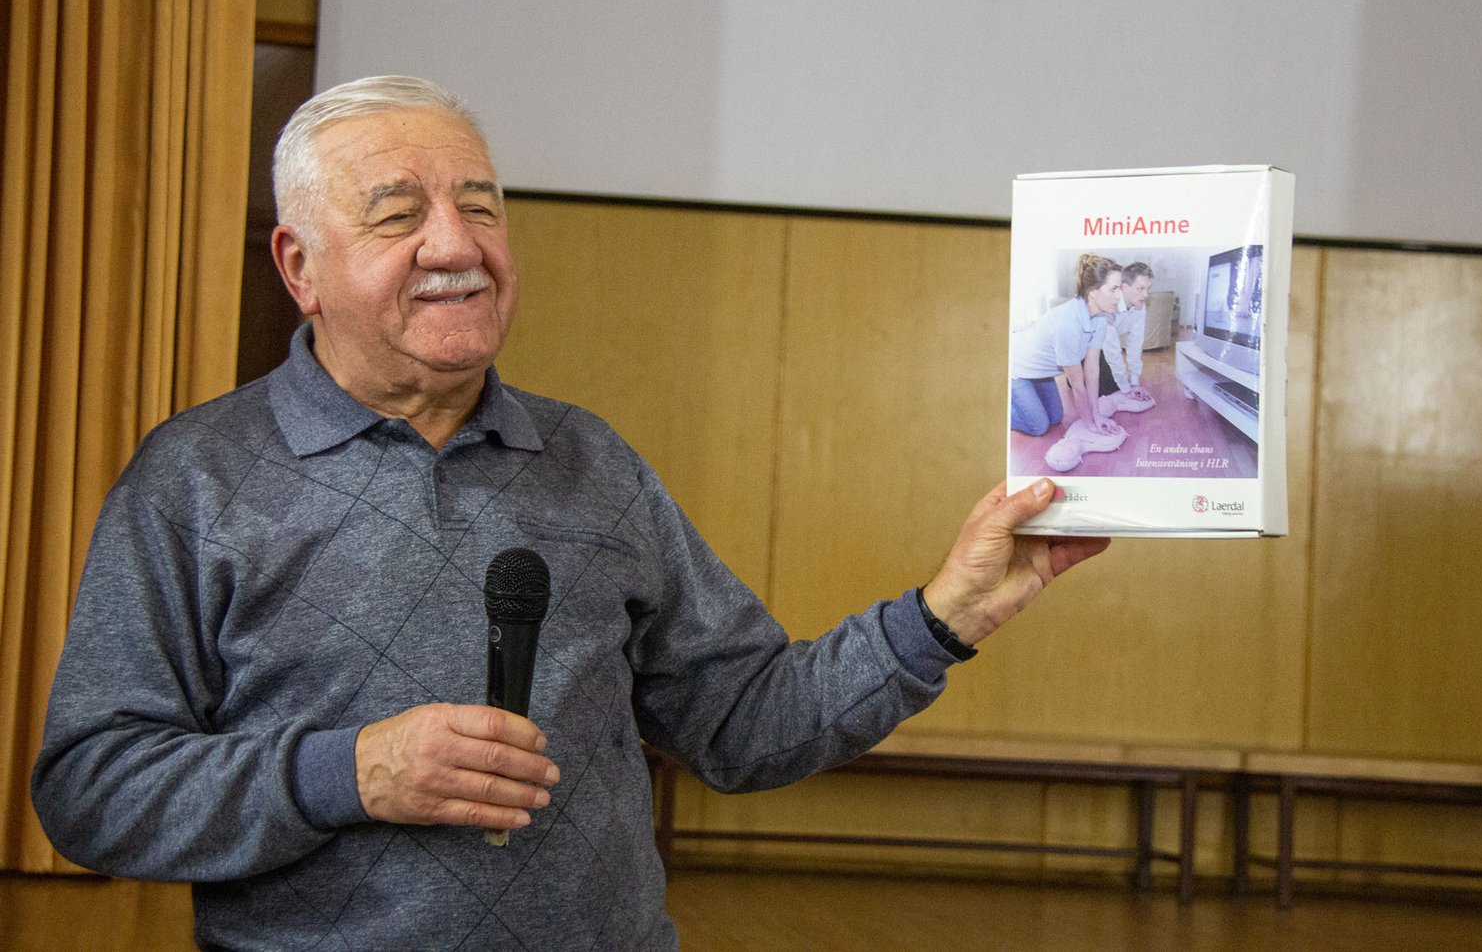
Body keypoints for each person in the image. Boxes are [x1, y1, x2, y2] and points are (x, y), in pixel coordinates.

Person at [30, 76, 1109, 950]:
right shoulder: (196, 479)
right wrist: (347, 771)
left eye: (481, 206)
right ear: (299, 265)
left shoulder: (591, 462)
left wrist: (944, 614)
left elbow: (745, 722)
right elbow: (92, 790)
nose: (458, 246)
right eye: (399, 214)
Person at [1009, 254, 1124, 438]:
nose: (1119, 296)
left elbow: (1091, 370)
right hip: (1015, 367)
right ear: (1093, 291)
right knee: (1039, 426)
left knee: (1056, 417)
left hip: (1040, 373)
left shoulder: (1100, 318)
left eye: (1120, 288)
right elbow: (1078, 385)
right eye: (1113, 289)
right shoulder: (1067, 324)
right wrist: (1090, 425)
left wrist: (1096, 415)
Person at [1099, 261, 1155, 404]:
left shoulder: (1140, 307)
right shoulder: (1109, 305)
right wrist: (1126, 388)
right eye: (1140, 289)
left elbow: (1135, 346)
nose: (1146, 295)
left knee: (1118, 384)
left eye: (1148, 289)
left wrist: (1134, 382)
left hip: (1103, 346)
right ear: (1124, 287)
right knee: (1110, 388)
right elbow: (1112, 349)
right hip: (1084, 349)